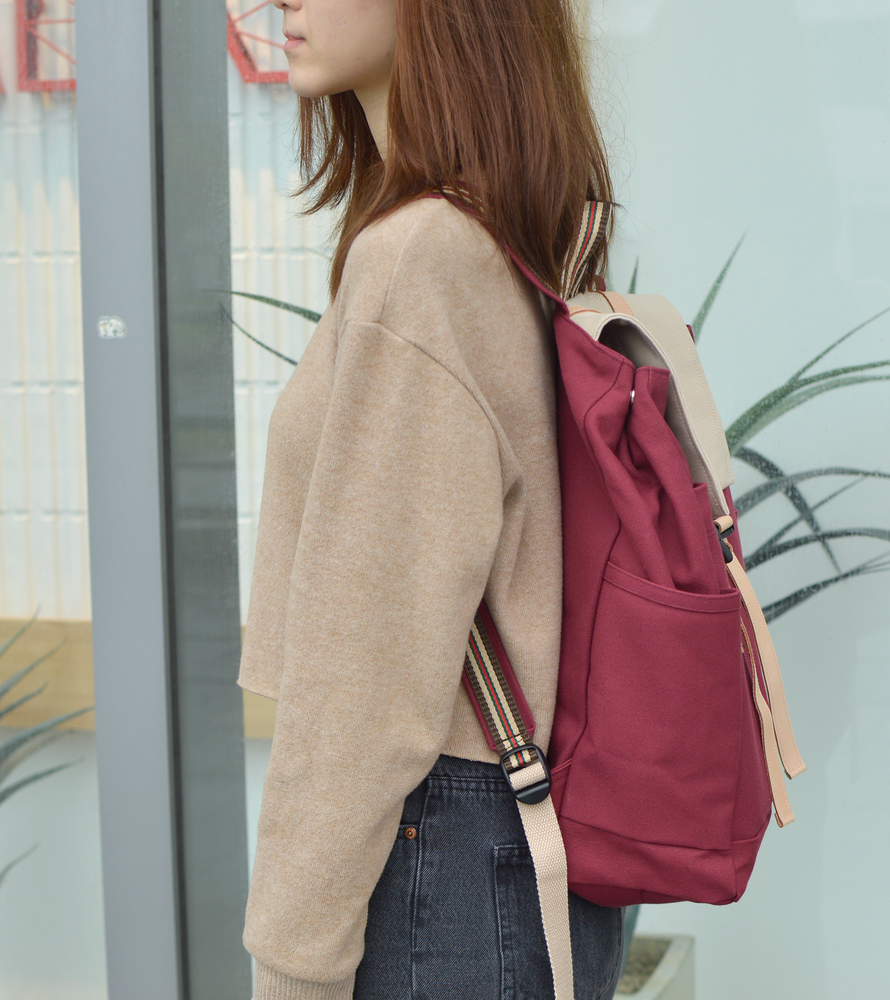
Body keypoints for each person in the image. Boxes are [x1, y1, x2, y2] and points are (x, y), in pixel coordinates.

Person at [239, 0, 623, 997]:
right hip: (533, 839)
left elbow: (365, 676)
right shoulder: (532, 234)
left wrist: (291, 964)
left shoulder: (417, 259)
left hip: (443, 862)